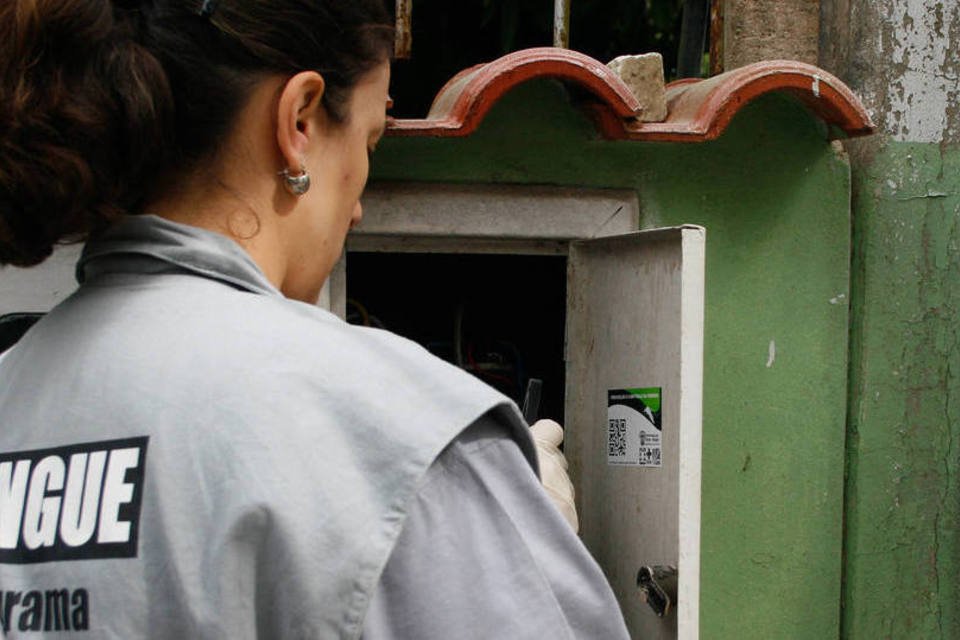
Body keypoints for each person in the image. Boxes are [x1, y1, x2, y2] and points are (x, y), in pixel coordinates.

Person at [0, 1, 630, 638]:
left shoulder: (11, 390)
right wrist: (508, 536)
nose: (356, 209)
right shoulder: (402, 432)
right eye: (368, 141)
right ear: (299, 118)